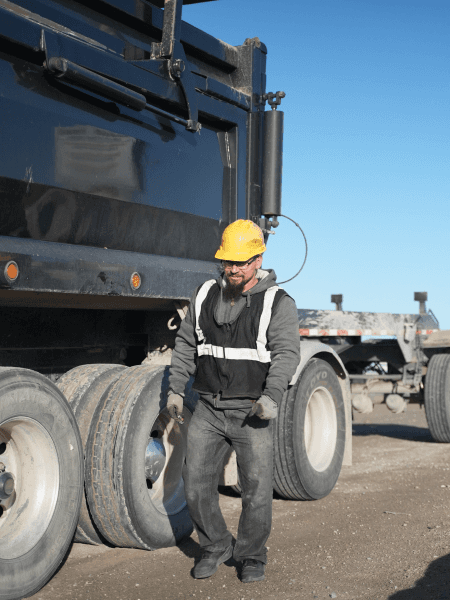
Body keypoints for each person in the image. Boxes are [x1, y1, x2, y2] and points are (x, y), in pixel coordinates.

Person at [167, 219, 300, 583]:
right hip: (208, 408)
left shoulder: (277, 303)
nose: (234, 269)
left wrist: (272, 397)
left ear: (259, 259)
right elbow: (185, 345)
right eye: (228, 261)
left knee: (256, 490)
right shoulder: (205, 294)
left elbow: (287, 353)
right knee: (194, 483)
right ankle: (215, 545)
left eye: (242, 262)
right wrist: (176, 389)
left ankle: (252, 554)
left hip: (251, 413)